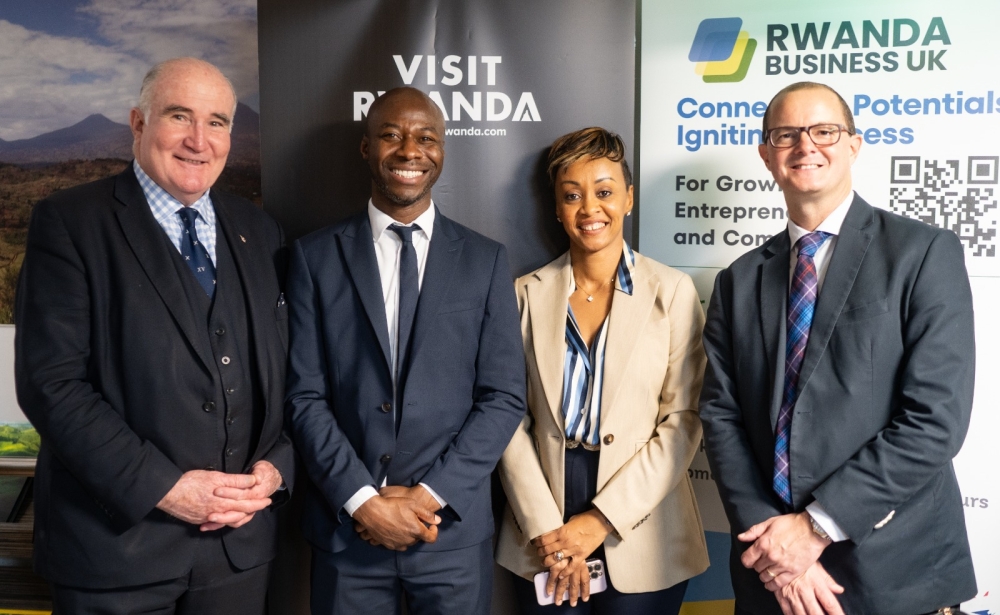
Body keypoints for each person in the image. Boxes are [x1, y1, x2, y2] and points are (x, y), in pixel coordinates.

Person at [14, 57, 293, 614]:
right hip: (115, 554)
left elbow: (287, 373)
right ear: (139, 123)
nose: (198, 140)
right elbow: (52, 385)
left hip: (238, 552)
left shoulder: (260, 232)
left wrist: (276, 467)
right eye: (179, 116)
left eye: (216, 122)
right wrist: (167, 489)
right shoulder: (69, 222)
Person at [700, 81, 977, 615]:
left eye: (825, 130)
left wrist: (814, 529)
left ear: (853, 145)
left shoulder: (923, 254)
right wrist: (774, 553)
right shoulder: (737, 281)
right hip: (773, 578)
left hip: (892, 573)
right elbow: (721, 415)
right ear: (766, 155)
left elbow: (935, 420)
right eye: (786, 134)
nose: (807, 146)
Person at [284, 86, 526, 615]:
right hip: (348, 535)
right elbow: (304, 396)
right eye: (391, 135)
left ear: (441, 151)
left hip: (449, 536)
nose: (409, 150)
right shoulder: (312, 258)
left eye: (425, 138)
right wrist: (362, 501)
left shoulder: (485, 261)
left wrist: (427, 497)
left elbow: (503, 397)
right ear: (367, 148)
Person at [495, 127, 709, 613]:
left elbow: (684, 421)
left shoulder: (672, 293)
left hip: (645, 524)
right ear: (556, 207)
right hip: (541, 516)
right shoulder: (523, 295)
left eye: (605, 191)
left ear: (629, 198)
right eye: (572, 195)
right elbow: (507, 416)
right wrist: (548, 528)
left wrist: (598, 521)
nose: (590, 208)